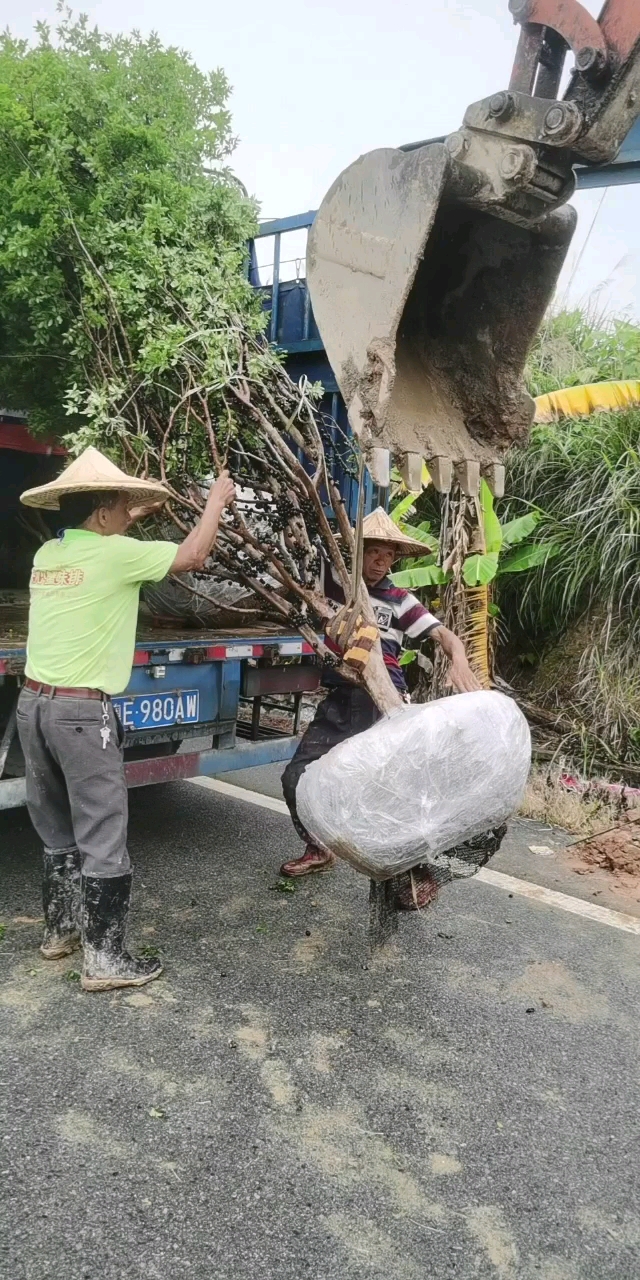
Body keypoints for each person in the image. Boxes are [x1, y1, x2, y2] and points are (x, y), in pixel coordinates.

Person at [17, 446, 235, 992]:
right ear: (103, 513)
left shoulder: (50, 554)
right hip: (79, 714)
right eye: (119, 505)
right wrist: (215, 500)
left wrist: (123, 511)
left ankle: (60, 934)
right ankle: (105, 960)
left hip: (33, 707)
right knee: (102, 831)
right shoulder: (119, 557)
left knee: (57, 828)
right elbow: (193, 556)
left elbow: (100, 537)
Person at [280, 506, 481, 909]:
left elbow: (444, 636)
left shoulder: (400, 600)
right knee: (295, 776)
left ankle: (421, 872)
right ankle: (318, 847)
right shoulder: (336, 588)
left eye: (388, 556)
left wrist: (458, 657)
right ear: (358, 554)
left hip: (385, 703)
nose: (380, 562)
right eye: (373, 552)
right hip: (343, 698)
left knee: (395, 795)